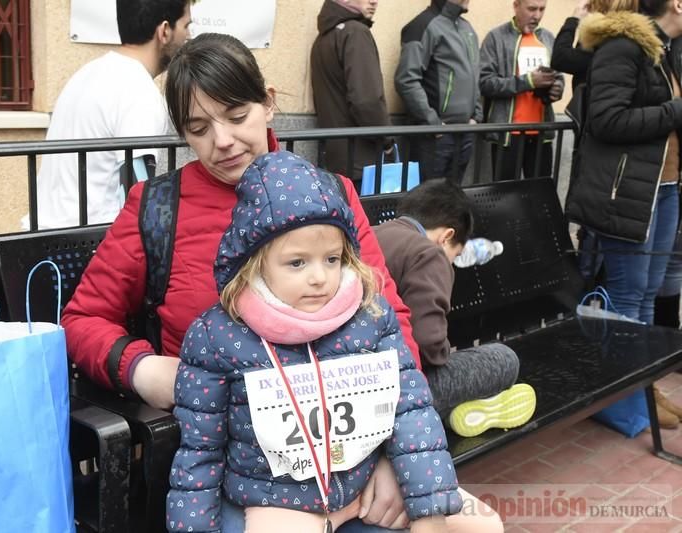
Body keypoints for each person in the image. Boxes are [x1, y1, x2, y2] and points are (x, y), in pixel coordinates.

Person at [63, 32, 502, 533]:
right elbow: (82, 318)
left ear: (268, 103)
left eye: (236, 114)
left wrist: (391, 457)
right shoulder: (160, 208)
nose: (222, 141)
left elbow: (387, 316)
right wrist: (141, 368)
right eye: (199, 128)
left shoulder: (327, 195)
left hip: (353, 451)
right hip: (241, 468)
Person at [167, 150, 467, 532]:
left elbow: (411, 413)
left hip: (364, 486)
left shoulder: (370, 315)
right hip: (273, 499)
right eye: (297, 262)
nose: (320, 277)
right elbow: (199, 453)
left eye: (332, 258)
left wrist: (430, 511)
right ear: (254, 261)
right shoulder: (217, 337)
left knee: (482, 525)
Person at [565, 0, 682, 431]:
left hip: (662, 188)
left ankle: (644, 387)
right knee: (629, 297)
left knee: (649, 293)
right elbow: (607, 120)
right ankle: (626, 395)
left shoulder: (666, 50)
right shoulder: (623, 47)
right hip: (625, 193)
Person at [373, 179, 534, 437]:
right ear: (447, 236)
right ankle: (465, 406)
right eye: (456, 255)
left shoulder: (371, 234)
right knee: (504, 359)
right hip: (398, 389)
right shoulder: (428, 253)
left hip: (360, 378)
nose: (452, 262)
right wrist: (445, 350)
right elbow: (429, 346)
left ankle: (454, 410)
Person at [26, 0, 191, 229]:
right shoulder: (137, 90)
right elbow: (139, 195)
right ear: (164, 31)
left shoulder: (87, 74)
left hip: (43, 234)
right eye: (186, 26)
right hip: (88, 240)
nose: (188, 36)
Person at [551, 0, 639, 287]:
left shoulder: (612, 49)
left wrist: (574, 19)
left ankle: (586, 288)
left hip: (598, 143)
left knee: (593, 221)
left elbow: (563, 57)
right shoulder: (625, 47)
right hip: (603, 142)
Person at [394, 0, 481, 183]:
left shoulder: (467, 28)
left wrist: (476, 117)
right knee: (429, 202)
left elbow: (474, 75)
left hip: (465, 131)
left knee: (453, 199)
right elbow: (406, 79)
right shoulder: (422, 25)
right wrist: (433, 123)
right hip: (435, 137)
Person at [310, 0, 393, 187]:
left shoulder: (324, 37)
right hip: (363, 160)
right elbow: (367, 100)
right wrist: (387, 141)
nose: (374, 1)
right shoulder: (355, 32)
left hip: (337, 158)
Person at [479, 0, 564, 180]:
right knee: (506, 197)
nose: (537, 16)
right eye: (532, 9)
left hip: (541, 134)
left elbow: (559, 77)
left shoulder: (548, 38)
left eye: (542, 10)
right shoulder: (496, 37)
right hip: (508, 135)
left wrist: (557, 89)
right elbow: (485, 83)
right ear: (516, 6)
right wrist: (527, 81)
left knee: (540, 196)